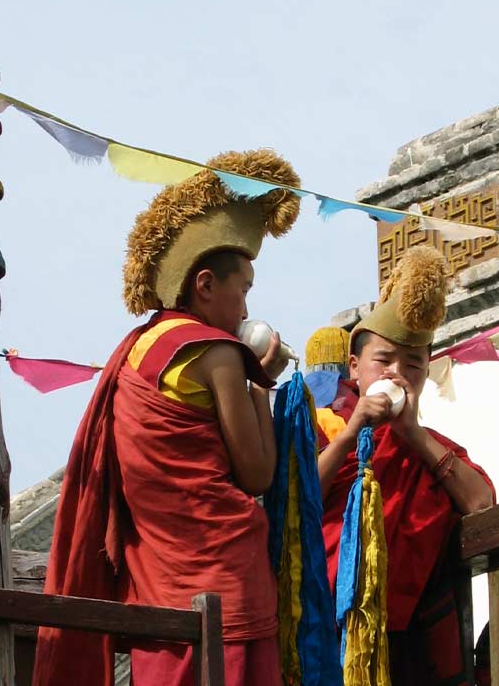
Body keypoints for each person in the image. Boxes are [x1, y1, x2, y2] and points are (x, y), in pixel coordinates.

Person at [32, 149, 302, 686]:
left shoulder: (137, 349)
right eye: (242, 288)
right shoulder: (218, 352)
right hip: (225, 581)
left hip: (158, 583)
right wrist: (260, 385)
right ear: (204, 285)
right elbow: (256, 474)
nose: (247, 309)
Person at [316, 244, 496, 685]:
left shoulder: (433, 448)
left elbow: (482, 502)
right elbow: (298, 498)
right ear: (355, 369)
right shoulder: (324, 431)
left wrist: (411, 433)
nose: (397, 373)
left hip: (405, 639)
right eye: (383, 361)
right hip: (323, 625)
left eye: (413, 364)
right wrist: (355, 425)